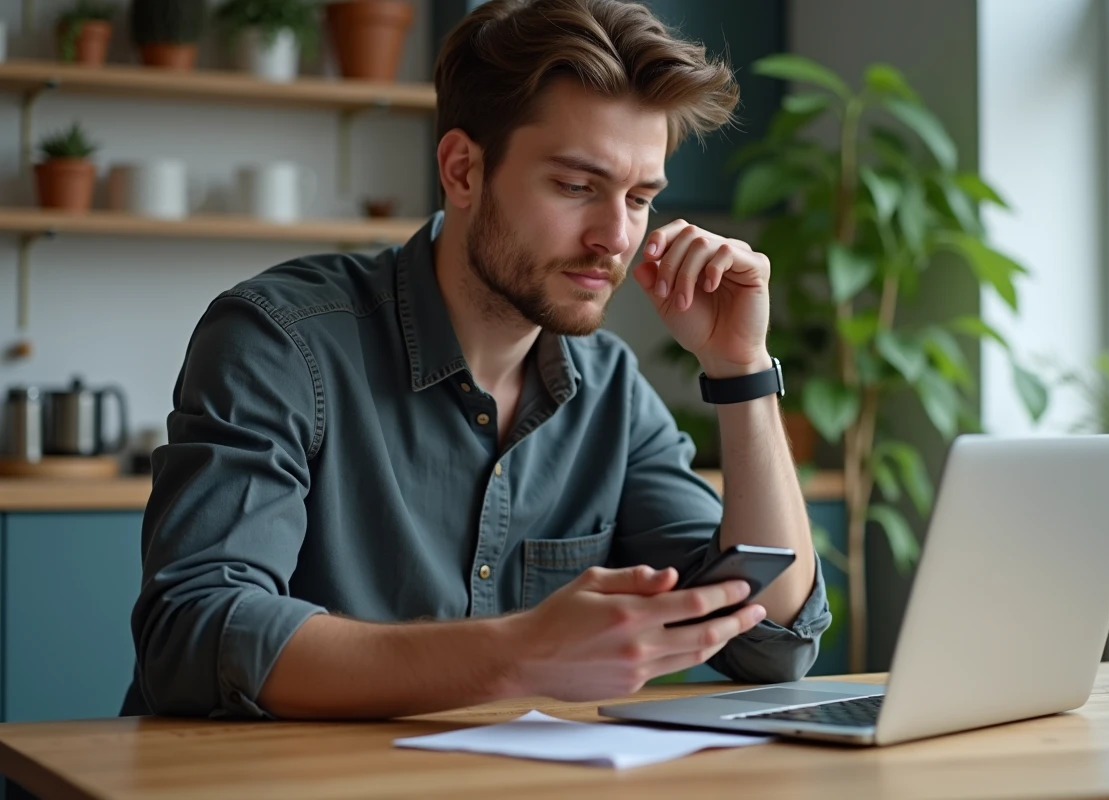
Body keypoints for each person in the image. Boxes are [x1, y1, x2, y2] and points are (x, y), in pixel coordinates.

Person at [122, 0, 831, 720]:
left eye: (639, 197)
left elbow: (771, 640)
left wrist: (740, 367)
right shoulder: (279, 341)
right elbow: (193, 634)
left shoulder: (611, 389)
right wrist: (518, 653)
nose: (616, 237)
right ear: (462, 170)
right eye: (576, 186)